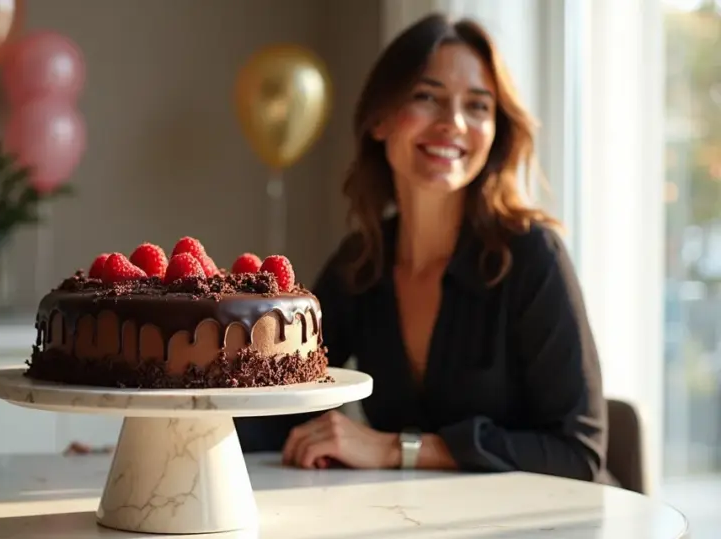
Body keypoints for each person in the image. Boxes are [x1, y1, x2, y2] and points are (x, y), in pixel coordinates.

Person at [234, 13, 612, 484]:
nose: (453, 123)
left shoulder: (533, 256)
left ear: (495, 132)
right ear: (380, 119)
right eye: (427, 97)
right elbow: (285, 402)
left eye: (477, 106)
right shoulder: (361, 263)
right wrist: (174, 430)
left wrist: (397, 449)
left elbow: (577, 452)